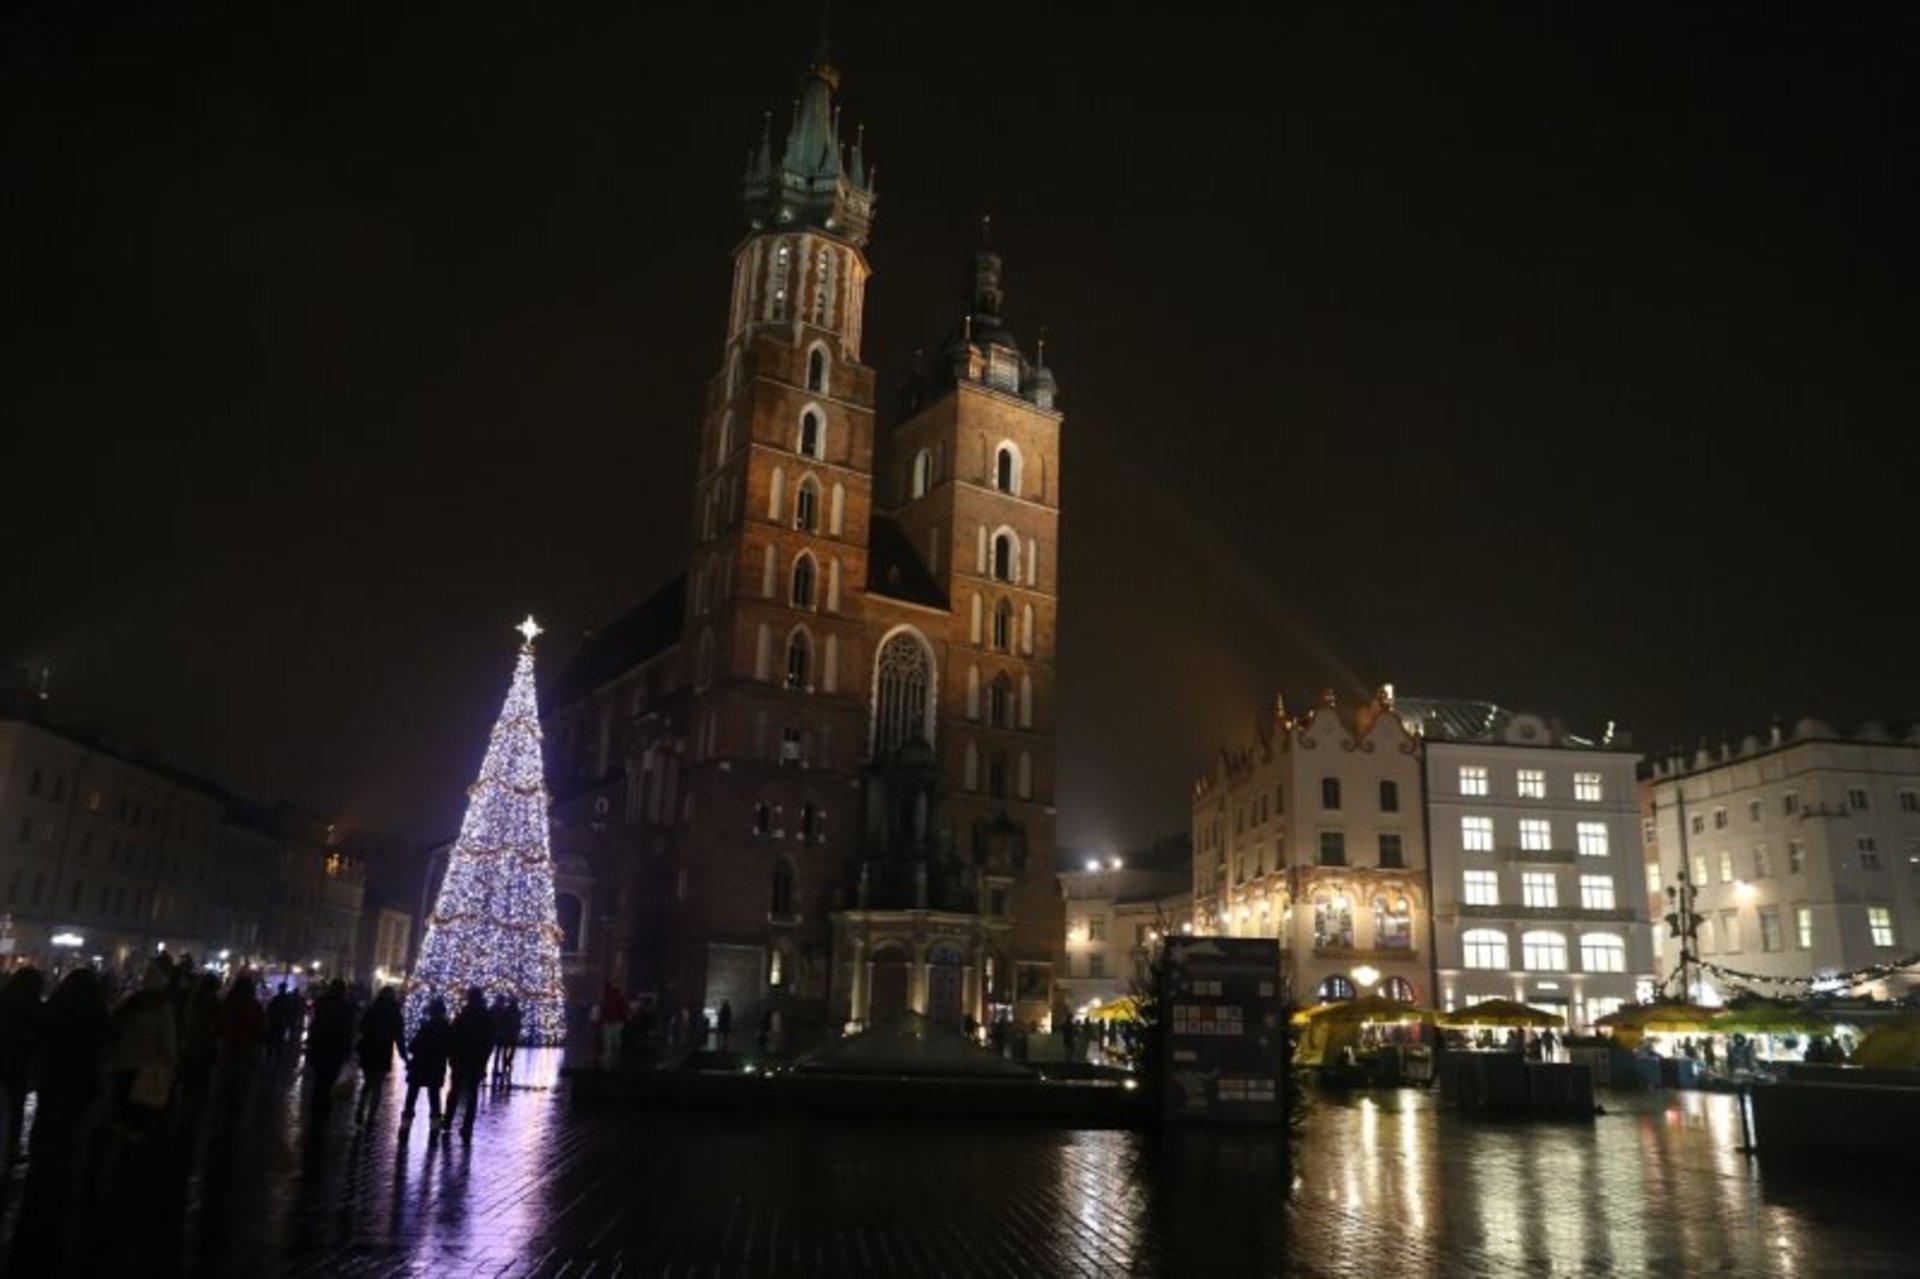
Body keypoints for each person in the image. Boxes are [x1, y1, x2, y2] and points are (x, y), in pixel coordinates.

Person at [0, 966, 45, 1166]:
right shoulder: (36, 1008)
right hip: (19, 1064)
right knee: (17, 1107)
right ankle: (11, 1147)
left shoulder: (3, 1001)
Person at [444, 987, 494, 1140]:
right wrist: (484, 1061)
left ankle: (447, 1121)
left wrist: (451, 1056)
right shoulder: (486, 1017)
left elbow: (453, 1037)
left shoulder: (463, 1015)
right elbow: (489, 1042)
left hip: (460, 1058)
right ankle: (467, 1126)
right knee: (472, 1094)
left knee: (455, 1091)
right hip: (476, 1060)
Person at [353, 986, 407, 1125]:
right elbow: (399, 1037)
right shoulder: (395, 1013)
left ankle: (360, 1110)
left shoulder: (373, 1009)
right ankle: (371, 1116)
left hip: (369, 1050)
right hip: (382, 1052)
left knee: (368, 1083)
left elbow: (361, 1027)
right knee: (377, 1087)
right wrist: (404, 1055)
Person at [304, 978, 356, 1121]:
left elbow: (314, 1026)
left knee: (320, 1081)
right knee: (329, 1081)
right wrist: (347, 1052)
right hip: (335, 1051)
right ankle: (324, 1111)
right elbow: (348, 1032)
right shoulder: (345, 1008)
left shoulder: (322, 1003)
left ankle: (316, 1109)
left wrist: (310, 1046)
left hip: (321, 1048)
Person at [400, 997, 453, 1135]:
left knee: (412, 1095)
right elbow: (449, 1049)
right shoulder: (447, 1029)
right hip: (436, 1066)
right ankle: (435, 1126)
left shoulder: (426, 1026)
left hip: (420, 1065)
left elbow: (413, 1046)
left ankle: (405, 1125)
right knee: (434, 1095)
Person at [598, 983, 629, 1066]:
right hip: (618, 1022)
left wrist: (601, 1021)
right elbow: (626, 1010)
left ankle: (609, 1060)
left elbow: (603, 1012)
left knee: (608, 1042)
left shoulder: (607, 1000)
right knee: (617, 1041)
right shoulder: (621, 1000)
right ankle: (617, 1058)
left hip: (609, 1022)